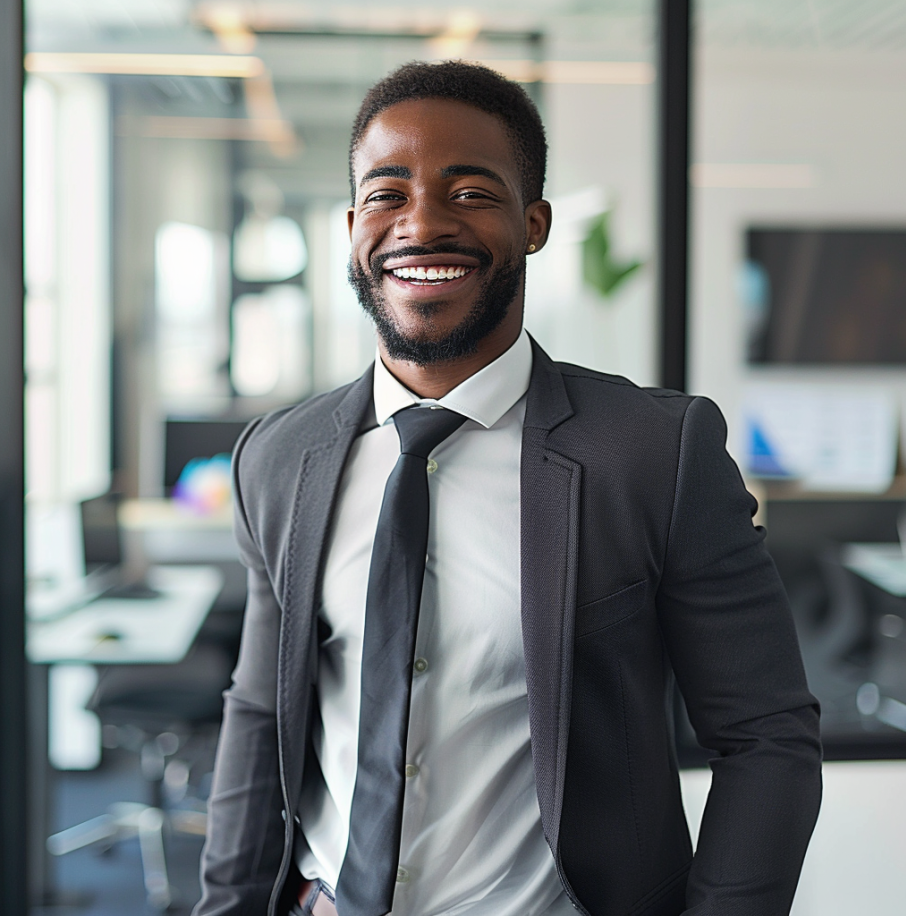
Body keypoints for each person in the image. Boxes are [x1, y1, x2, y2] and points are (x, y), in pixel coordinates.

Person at [194, 61, 821, 916]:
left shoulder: (652, 453)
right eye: (387, 194)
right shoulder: (277, 458)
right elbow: (260, 713)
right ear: (351, 228)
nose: (422, 223)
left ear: (533, 225)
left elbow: (766, 738)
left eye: (471, 192)